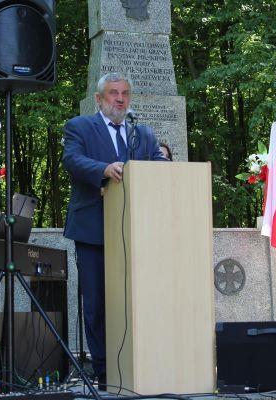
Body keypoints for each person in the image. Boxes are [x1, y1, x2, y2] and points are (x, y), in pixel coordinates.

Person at [62, 73, 166, 386]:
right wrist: (103, 169)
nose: (120, 99)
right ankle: (106, 372)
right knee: (97, 304)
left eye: (125, 93)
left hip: (136, 233)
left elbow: (158, 164)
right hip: (93, 231)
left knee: (136, 300)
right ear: (99, 99)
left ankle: (140, 365)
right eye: (113, 93)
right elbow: (72, 160)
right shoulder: (80, 126)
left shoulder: (142, 133)